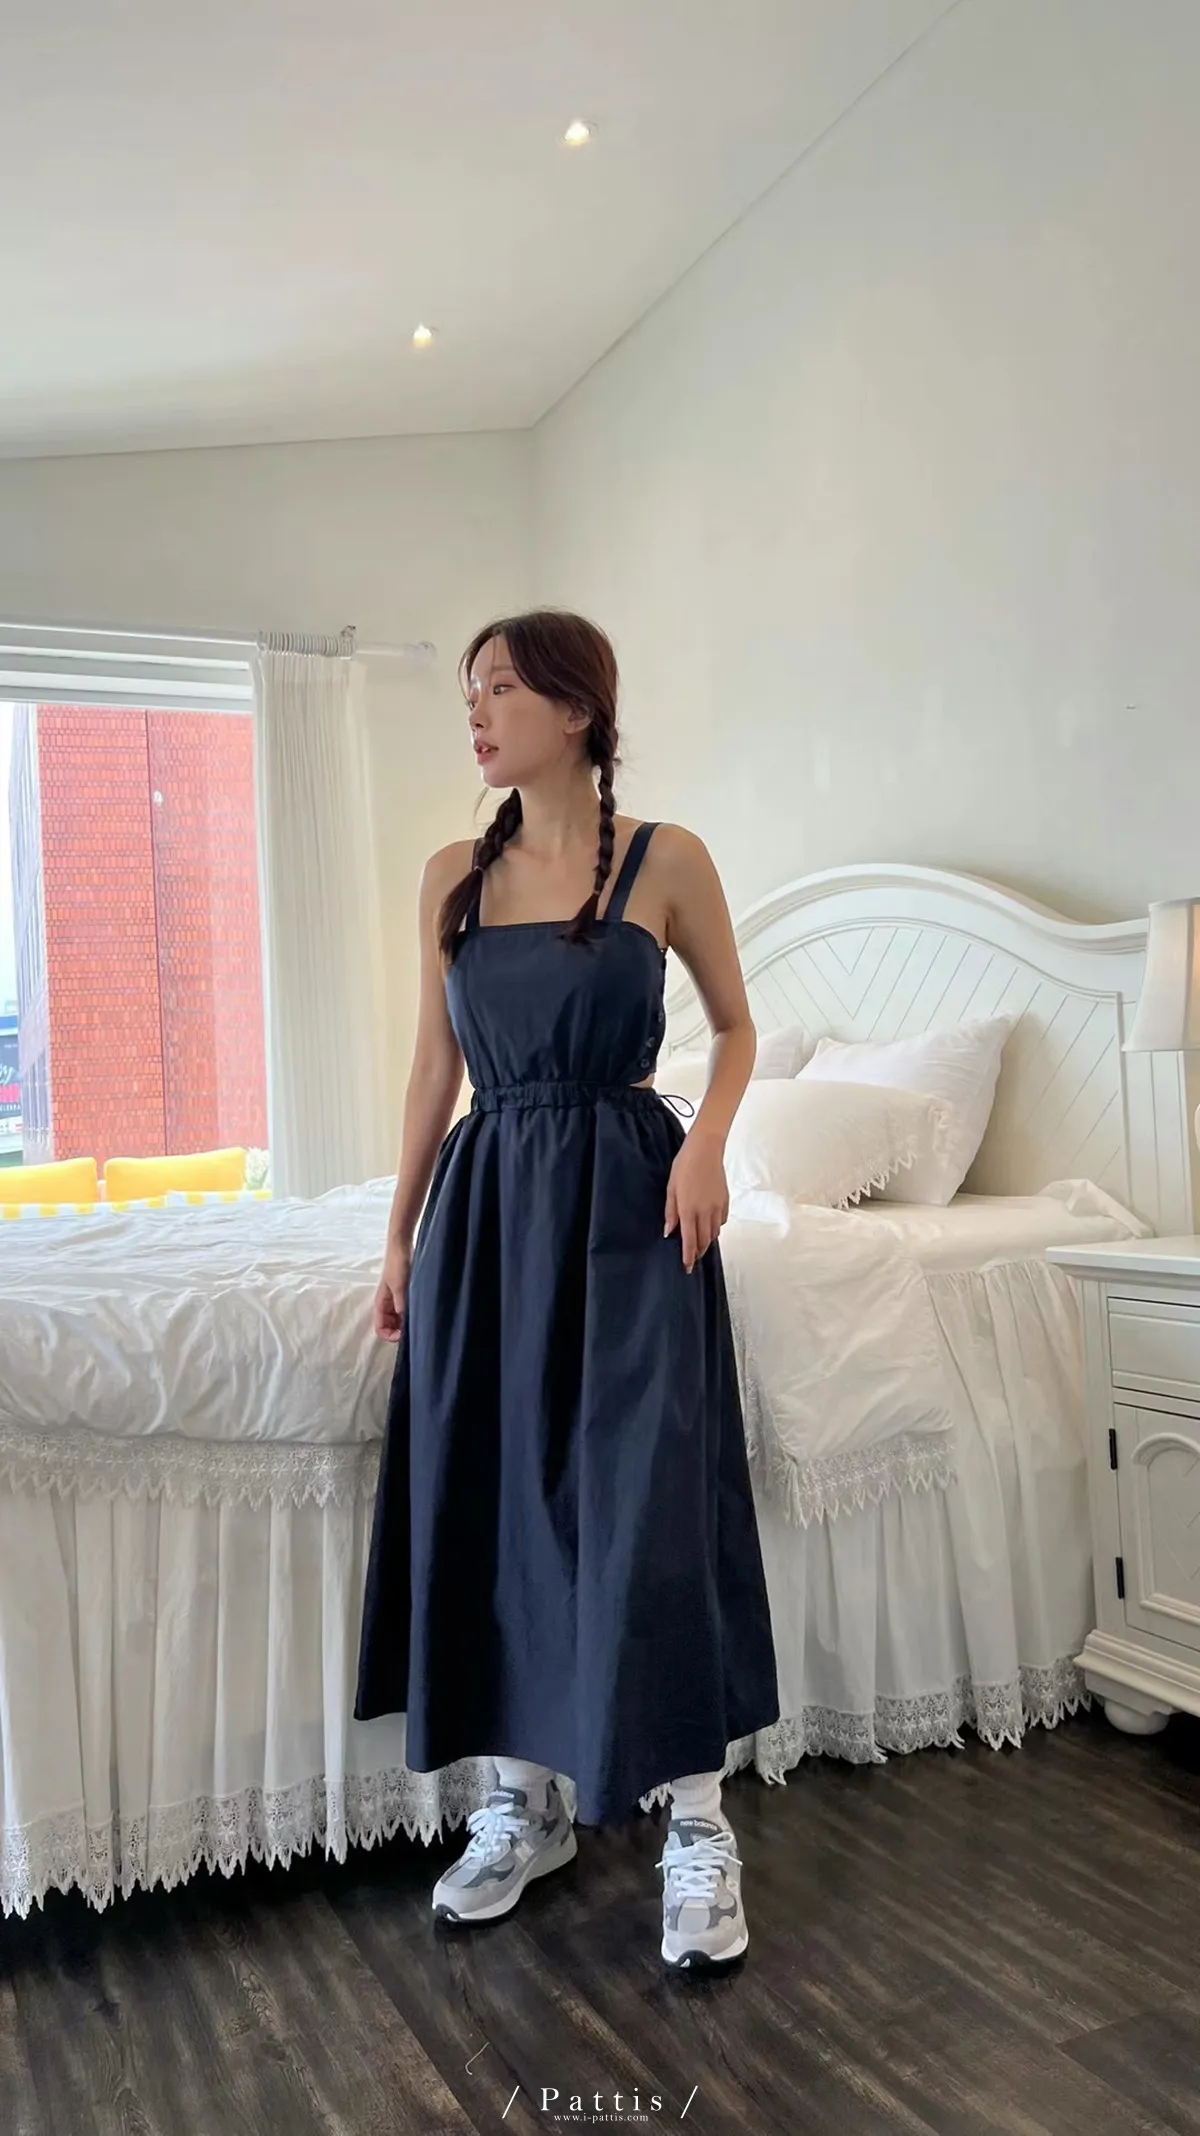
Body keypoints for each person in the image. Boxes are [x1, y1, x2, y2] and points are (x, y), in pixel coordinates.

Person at [354, 609, 780, 1971]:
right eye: (470, 693)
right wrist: (399, 1234)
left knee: (648, 1504)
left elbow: (737, 1027)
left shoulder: (668, 859)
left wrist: (707, 1146)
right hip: (491, 1208)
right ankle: (518, 1807)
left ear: (578, 709)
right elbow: (434, 1069)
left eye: (501, 690)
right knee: (496, 1496)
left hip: (634, 1205)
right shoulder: (452, 876)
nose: (477, 715)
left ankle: (698, 1825)